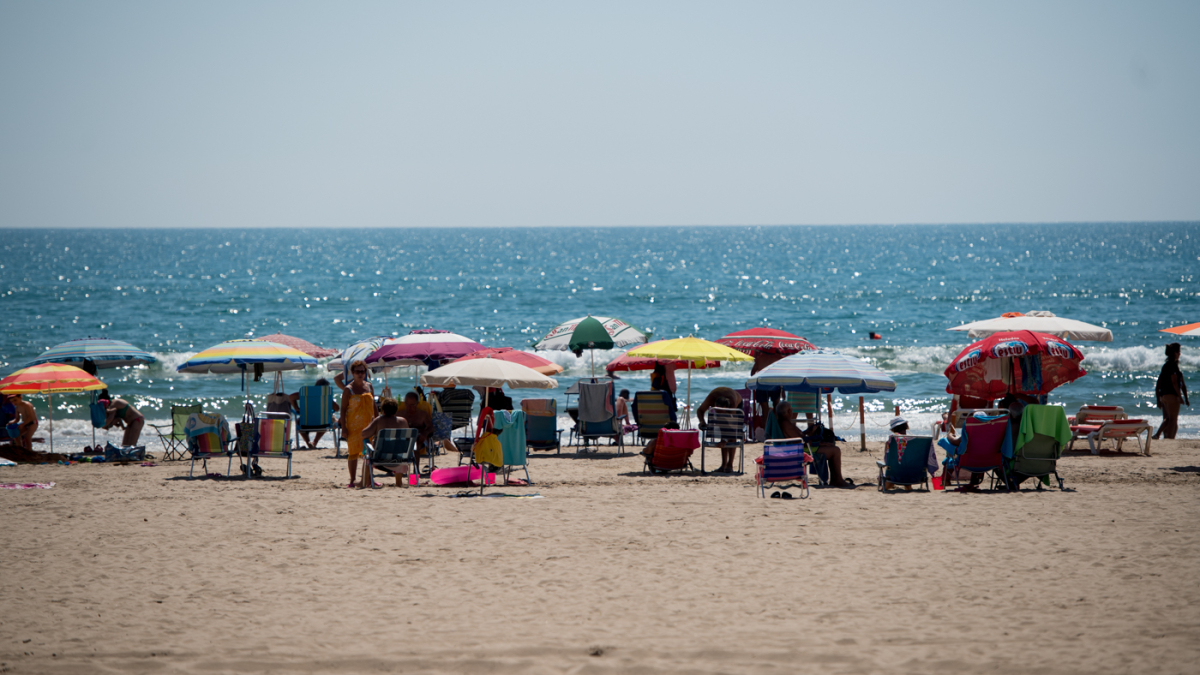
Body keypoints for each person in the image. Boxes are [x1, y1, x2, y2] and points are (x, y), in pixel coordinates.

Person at [774, 401, 852, 487]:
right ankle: (838, 480)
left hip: (799, 448)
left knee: (831, 447)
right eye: (791, 410)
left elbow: (796, 438)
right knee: (835, 450)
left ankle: (835, 479)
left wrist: (808, 432)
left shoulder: (784, 423)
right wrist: (818, 443)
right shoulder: (786, 424)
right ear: (789, 411)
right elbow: (801, 441)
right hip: (803, 450)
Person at [335, 360, 375, 488]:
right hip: (353, 425)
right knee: (353, 452)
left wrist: (378, 421)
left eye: (362, 371)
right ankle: (352, 480)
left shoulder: (369, 386)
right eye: (357, 371)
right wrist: (344, 428)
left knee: (369, 452)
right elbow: (343, 409)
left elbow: (374, 405)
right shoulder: (348, 389)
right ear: (352, 373)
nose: (360, 374)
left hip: (369, 424)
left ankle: (367, 479)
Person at [359, 396, 411, 486]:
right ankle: (399, 483)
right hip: (400, 459)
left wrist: (373, 424)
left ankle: (363, 482)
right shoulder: (403, 421)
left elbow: (363, 434)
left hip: (379, 460)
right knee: (398, 448)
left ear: (383, 409)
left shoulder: (379, 420)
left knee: (367, 456)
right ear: (396, 409)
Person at [696, 386, 743, 473]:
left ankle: (730, 465)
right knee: (723, 430)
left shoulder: (732, 403)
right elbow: (700, 410)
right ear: (714, 405)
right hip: (720, 398)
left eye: (721, 412)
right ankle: (723, 465)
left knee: (731, 436)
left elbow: (732, 427)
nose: (719, 415)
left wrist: (725, 440)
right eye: (717, 412)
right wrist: (702, 421)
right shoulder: (711, 399)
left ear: (726, 407)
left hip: (738, 402)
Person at [1154, 343, 1189, 440]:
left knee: (1168, 418)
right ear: (1175, 353)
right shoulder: (1173, 366)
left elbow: (1159, 383)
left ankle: (1162, 435)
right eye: (1179, 352)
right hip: (1171, 396)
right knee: (1172, 419)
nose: (1180, 354)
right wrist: (1180, 396)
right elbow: (1174, 382)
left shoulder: (1165, 366)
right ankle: (1168, 438)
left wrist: (1158, 398)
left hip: (1164, 396)